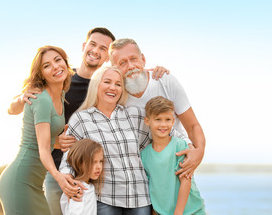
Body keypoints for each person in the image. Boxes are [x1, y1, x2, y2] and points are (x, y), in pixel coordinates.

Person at [7, 27, 116, 215]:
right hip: (56, 171)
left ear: (108, 57)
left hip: (92, 178)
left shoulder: (104, 87)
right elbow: (13, 108)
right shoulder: (60, 78)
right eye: (92, 44)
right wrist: (21, 98)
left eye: (103, 48)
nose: (96, 51)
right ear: (84, 46)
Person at [60, 66, 188, 214]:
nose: (112, 88)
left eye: (118, 84)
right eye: (107, 82)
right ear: (96, 84)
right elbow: (69, 157)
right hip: (104, 197)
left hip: (140, 198)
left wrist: (191, 148)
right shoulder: (81, 119)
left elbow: (169, 131)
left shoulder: (135, 115)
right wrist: (66, 178)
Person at [108, 38, 205, 178]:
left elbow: (192, 125)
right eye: (122, 63)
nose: (130, 66)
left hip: (175, 167)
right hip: (139, 175)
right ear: (115, 69)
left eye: (133, 59)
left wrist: (199, 153)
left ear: (143, 59)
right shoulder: (115, 94)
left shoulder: (164, 80)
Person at [0, 45, 78, 215]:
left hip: (34, 183)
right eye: (46, 65)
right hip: (19, 182)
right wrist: (58, 176)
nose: (55, 66)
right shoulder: (42, 99)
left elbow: (46, 143)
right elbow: (42, 148)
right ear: (41, 74)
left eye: (58, 60)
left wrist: (59, 142)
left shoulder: (60, 97)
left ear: (65, 62)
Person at [141, 96, 206, 215]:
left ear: (173, 121)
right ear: (147, 121)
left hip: (191, 211)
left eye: (167, 119)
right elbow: (153, 188)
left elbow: (186, 180)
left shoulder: (180, 146)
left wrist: (178, 213)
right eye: (158, 119)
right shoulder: (144, 155)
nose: (163, 125)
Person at [60, 139, 104, 215]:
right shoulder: (77, 188)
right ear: (80, 163)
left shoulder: (88, 185)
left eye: (100, 161)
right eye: (93, 162)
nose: (99, 167)